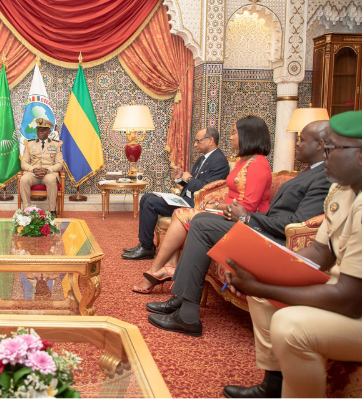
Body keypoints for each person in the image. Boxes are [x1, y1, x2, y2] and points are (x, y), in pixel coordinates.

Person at [221, 110, 362, 398]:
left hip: (354, 303)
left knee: (290, 326)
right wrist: (257, 269)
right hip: (346, 290)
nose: (326, 155)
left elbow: (348, 300)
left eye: (332, 149)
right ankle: (273, 386)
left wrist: (261, 284)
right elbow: (320, 253)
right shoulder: (342, 190)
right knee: (261, 295)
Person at [145, 119, 332, 337]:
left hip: (275, 240)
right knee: (200, 222)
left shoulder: (324, 177)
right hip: (263, 227)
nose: (297, 144)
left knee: (202, 224)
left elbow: (295, 224)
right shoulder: (309, 171)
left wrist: (249, 218)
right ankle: (183, 304)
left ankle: (186, 313)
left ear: (320, 145)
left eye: (301, 140)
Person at [133, 115, 272, 294]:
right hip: (226, 212)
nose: (230, 137)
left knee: (181, 215)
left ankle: (154, 271)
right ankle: (169, 266)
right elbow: (228, 194)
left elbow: (246, 208)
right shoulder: (243, 161)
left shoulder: (258, 164)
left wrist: (213, 206)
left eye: (234, 133)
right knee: (173, 210)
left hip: (244, 221)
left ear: (248, 135)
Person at [123, 127, 230, 262]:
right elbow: (193, 185)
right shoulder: (202, 159)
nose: (195, 144)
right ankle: (145, 244)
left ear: (210, 140)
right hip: (186, 199)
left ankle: (147, 247)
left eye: (198, 141)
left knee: (151, 202)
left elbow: (209, 191)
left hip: (196, 205)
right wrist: (180, 178)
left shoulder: (219, 160)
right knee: (147, 197)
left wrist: (189, 179)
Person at [20, 118, 64, 217]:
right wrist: (33, 169)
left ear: (49, 131)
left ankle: (52, 211)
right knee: (23, 179)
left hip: (48, 173)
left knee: (52, 179)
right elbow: (24, 163)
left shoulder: (56, 144)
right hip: (33, 173)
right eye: (39, 130)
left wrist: (48, 170)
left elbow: (59, 164)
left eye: (43, 130)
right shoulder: (30, 144)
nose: (40, 132)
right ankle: (27, 211)